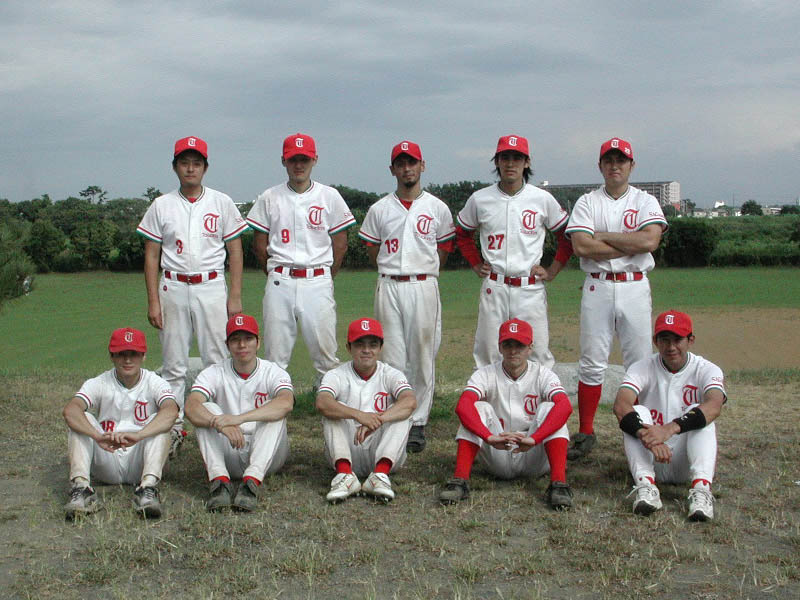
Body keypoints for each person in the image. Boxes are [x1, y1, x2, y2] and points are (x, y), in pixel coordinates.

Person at [137, 136, 247, 458]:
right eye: (184, 163)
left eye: (196, 163)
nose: (190, 168)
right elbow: (151, 255)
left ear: (205, 168)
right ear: (175, 167)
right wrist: (153, 301)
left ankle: (220, 424)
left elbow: (235, 251)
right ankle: (172, 429)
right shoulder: (162, 204)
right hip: (173, 286)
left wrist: (235, 295)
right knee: (173, 365)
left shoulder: (221, 202)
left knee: (217, 359)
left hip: (211, 285)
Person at [564, 137, 667, 460]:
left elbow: (650, 241)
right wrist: (629, 243)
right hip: (598, 285)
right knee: (592, 361)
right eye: (608, 160)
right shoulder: (587, 202)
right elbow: (581, 246)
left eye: (620, 160)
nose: (614, 166)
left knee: (639, 362)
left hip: (634, 284)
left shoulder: (645, 200)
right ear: (600, 166)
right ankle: (586, 431)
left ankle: (642, 429)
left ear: (631, 165)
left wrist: (605, 236)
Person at [358, 140, 455, 453]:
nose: (407, 168)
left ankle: (418, 421)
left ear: (422, 166)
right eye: (400, 163)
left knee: (423, 354)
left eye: (412, 162)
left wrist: (423, 271)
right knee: (392, 355)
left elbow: (444, 249)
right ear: (392, 170)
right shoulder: (380, 208)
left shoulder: (437, 207)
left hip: (423, 283)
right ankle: (395, 417)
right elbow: (373, 249)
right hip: (388, 283)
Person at [246, 133, 356, 388]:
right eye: (293, 159)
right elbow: (259, 245)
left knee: (326, 354)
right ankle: (277, 402)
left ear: (314, 160)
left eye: (304, 159)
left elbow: (340, 244)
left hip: (317, 279)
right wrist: (275, 273)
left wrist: (326, 276)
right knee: (275, 355)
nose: (299, 165)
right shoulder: (269, 196)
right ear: (283, 161)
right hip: (280, 280)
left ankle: (328, 401)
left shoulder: (329, 196)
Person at [456, 134, 572, 370]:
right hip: (495, 284)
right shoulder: (480, 199)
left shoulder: (541, 198)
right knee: (488, 354)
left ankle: (538, 395)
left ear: (526, 162)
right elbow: (461, 233)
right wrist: (475, 262)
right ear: (497, 162)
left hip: (529, 286)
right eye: (505, 157)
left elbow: (566, 235)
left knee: (537, 353)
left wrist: (552, 270)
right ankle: (488, 395)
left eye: (517, 158)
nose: (510, 163)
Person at [438, 319, 574, 510]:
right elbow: (463, 406)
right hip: (498, 451)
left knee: (550, 408)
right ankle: (459, 480)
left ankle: (559, 484)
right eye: (508, 344)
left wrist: (534, 438)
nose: (513, 351)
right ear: (500, 347)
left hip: (533, 453)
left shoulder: (543, 374)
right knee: (478, 408)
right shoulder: (485, 373)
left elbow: (565, 406)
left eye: (519, 345)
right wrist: (489, 437)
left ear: (530, 348)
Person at [612, 310, 726, 521]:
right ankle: (646, 486)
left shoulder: (707, 369)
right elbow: (621, 405)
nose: (671, 347)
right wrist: (647, 437)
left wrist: (668, 430)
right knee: (637, 412)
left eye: (677, 339)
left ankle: (701, 489)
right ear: (655, 341)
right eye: (664, 340)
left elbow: (714, 405)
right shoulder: (642, 367)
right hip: (650, 454)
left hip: (686, 459)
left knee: (700, 412)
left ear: (690, 340)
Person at [63, 328, 179, 519]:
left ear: (143, 356)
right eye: (121, 354)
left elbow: (171, 411)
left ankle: (148, 488)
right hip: (107, 454)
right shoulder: (99, 382)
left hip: (140, 458)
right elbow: (71, 411)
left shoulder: (155, 382)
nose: (128, 360)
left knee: (159, 422)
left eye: (133, 354)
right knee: (83, 419)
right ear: (112, 356)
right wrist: (97, 436)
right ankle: (82, 489)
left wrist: (139, 435)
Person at [185, 314, 294, 512]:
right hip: (229, 448)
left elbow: (286, 403)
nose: (242, 345)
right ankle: (220, 482)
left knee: (273, 409)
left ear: (258, 342)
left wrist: (238, 419)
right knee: (207, 409)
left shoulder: (273, 371)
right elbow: (191, 407)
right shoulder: (214, 372)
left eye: (248, 339)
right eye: (235, 340)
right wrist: (218, 423)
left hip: (267, 454)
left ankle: (251, 482)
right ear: (227, 345)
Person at [315, 318, 417, 503]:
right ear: (349, 348)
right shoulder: (336, 374)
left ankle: (380, 475)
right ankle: (345, 474)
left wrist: (378, 420)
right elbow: (322, 402)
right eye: (359, 344)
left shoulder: (391, 374)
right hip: (346, 447)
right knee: (332, 413)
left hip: (382, 448)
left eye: (373, 344)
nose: (366, 350)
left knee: (402, 414)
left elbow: (410, 401)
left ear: (380, 348)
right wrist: (360, 415)